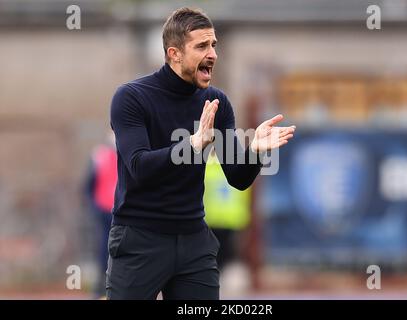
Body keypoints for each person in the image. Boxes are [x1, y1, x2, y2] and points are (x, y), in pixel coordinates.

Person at [106, 7, 295, 300]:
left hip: (194, 241)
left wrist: (255, 151)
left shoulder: (216, 101)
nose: (213, 54)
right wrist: (193, 144)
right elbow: (138, 166)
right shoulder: (131, 97)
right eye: (202, 46)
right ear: (174, 53)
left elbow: (238, 178)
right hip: (140, 239)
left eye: (214, 45)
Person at [84, 131, 117, 297]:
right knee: (104, 248)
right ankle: (101, 287)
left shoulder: (129, 154)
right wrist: (94, 206)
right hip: (104, 211)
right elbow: (89, 184)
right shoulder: (99, 155)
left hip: (123, 211)